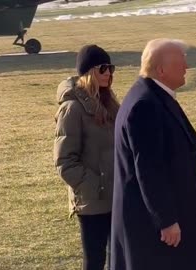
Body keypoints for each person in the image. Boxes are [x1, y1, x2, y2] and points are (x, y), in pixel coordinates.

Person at [111, 38, 196, 270]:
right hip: (154, 233)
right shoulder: (145, 105)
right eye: (180, 63)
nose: (187, 67)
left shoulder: (154, 96)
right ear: (161, 70)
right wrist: (165, 220)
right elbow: (148, 168)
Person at [54, 44, 119, 270]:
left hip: (116, 195)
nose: (109, 73)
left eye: (111, 68)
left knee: (118, 257)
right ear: (89, 72)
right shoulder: (72, 108)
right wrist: (94, 185)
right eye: (103, 68)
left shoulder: (108, 102)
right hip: (93, 200)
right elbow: (64, 161)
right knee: (95, 261)